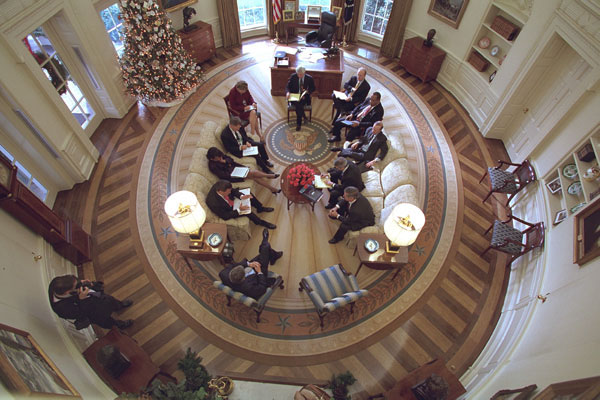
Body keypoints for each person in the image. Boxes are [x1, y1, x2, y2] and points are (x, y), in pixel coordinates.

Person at [49, 275, 133, 330]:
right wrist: (82, 299)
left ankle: (119, 305)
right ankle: (120, 325)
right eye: (77, 286)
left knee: (110, 300)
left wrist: (83, 282)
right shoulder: (61, 309)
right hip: (93, 313)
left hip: (97, 297)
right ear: (68, 293)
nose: (80, 286)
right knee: (107, 321)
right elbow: (81, 314)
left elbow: (74, 281)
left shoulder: (57, 283)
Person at [219, 228, 283, 299]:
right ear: (243, 278)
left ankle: (271, 251)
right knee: (266, 249)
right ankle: (266, 243)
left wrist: (248, 264)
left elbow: (233, 265)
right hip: (258, 275)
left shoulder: (223, 274)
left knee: (265, 252)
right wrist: (259, 272)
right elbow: (262, 288)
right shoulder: (248, 288)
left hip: (251, 267)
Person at [206, 180, 276, 229]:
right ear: (220, 192)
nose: (230, 192)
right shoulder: (213, 203)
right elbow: (225, 216)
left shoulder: (220, 185)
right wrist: (239, 210)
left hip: (231, 200)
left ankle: (260, 208)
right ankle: (260, 222)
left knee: (248, 195)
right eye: (228, 192)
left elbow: (233, 191)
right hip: (229, 210)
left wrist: (241, 196)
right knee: (247, 211)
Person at [206, 147, 281, 194]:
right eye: (218, 158)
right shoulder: (213, 166)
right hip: (232, 176)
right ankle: (270, 177)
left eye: (220, 157)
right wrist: (230, 168)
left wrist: (225, 162)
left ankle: (272, 186)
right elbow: (224, 175)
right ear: (212, 158)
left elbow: (230, 159)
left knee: (254, 176)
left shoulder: (219, 156)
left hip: (236, 168)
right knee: (253, 174)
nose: (220, 158)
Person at [286, 66, 316, 131]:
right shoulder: (293, 76)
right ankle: (302, 120)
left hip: (305, 97)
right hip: (295, 96)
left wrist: (307, 92)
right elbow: (287, 86)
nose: (299, 76)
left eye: (301, 74)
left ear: (304, 73)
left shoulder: (309, 78)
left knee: (299, 105)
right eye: (298, 74)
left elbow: (313, 88)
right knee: (298, 105)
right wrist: (288, 92)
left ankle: (300, 122)